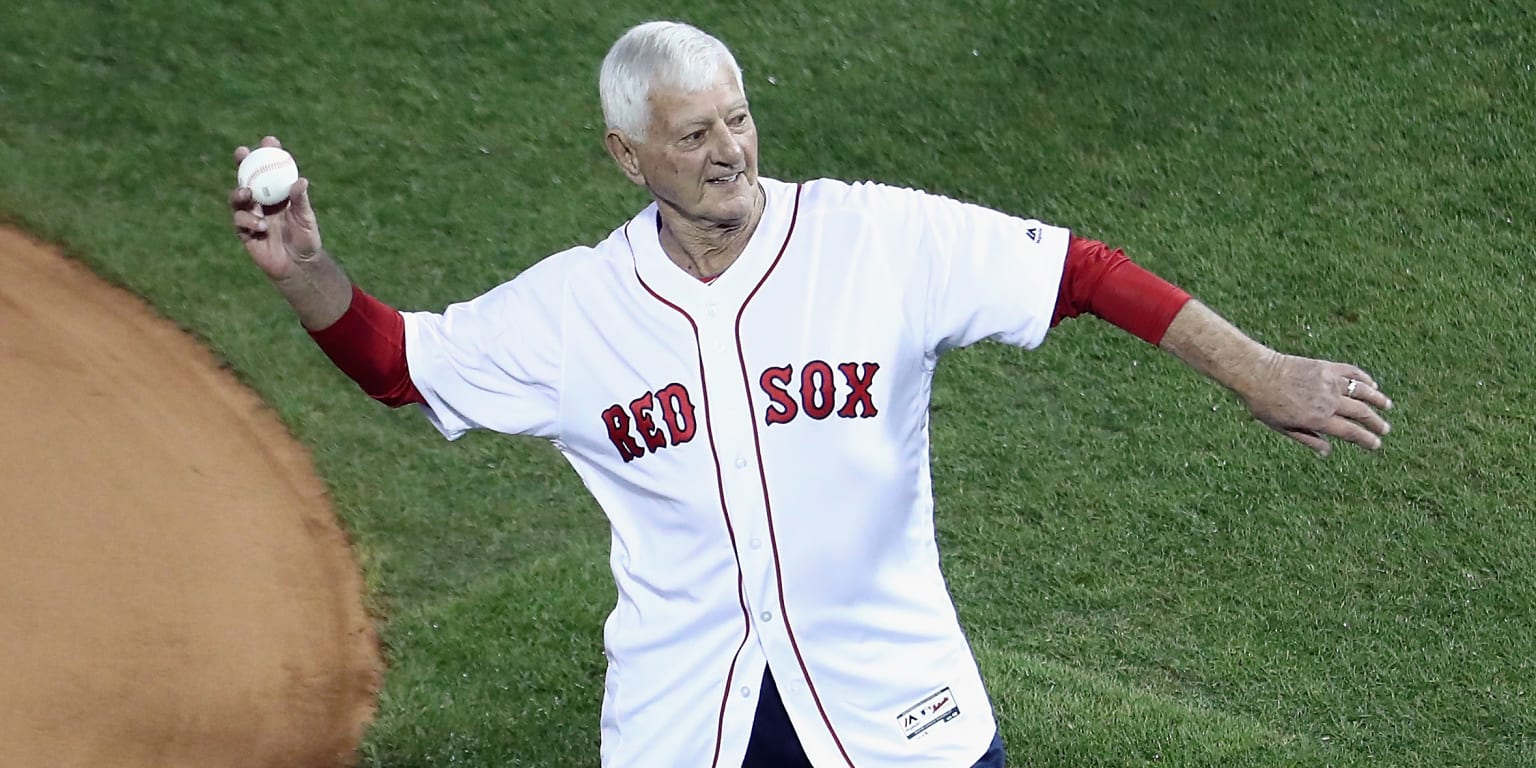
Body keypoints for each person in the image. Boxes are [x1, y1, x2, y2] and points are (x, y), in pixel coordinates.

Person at [227, 20, 1392, 768]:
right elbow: (396, 365)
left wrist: (1262, 374)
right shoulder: (576, 309)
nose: (730, 150)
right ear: (629, 156)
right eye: (693, 135)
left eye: (738, 117)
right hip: (692, 717)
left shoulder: (875, 237)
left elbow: (1081, 272)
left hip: (900, 704)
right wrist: (309, 273)